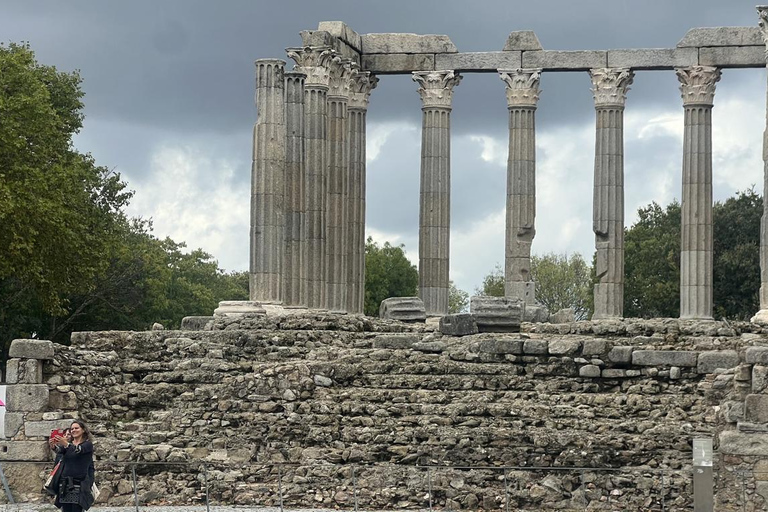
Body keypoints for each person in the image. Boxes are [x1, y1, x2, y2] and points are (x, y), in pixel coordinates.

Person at [51, 421, 95, 512]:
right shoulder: (68, 445)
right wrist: (53, 446)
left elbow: (78, 450)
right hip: (65, 484)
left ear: (83, 430)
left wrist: (66, 444)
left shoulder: (87, 445)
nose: (74, 430)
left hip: (79, 485)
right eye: (72, 429)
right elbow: (60, 451)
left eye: (76, 428)